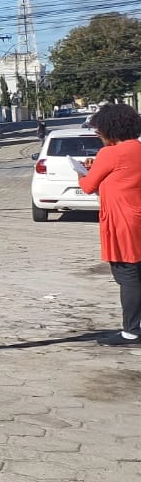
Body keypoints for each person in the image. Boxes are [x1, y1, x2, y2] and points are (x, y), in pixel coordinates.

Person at [77, 103, 141, 347]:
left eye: (99, 131)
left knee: (127, 276)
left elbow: (88, 186)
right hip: (137, 218)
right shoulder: (137, 149)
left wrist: (82, 173)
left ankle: (131, 331)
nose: (98, 135)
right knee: (137, 274)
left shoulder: (110, 154)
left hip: (123, 222)